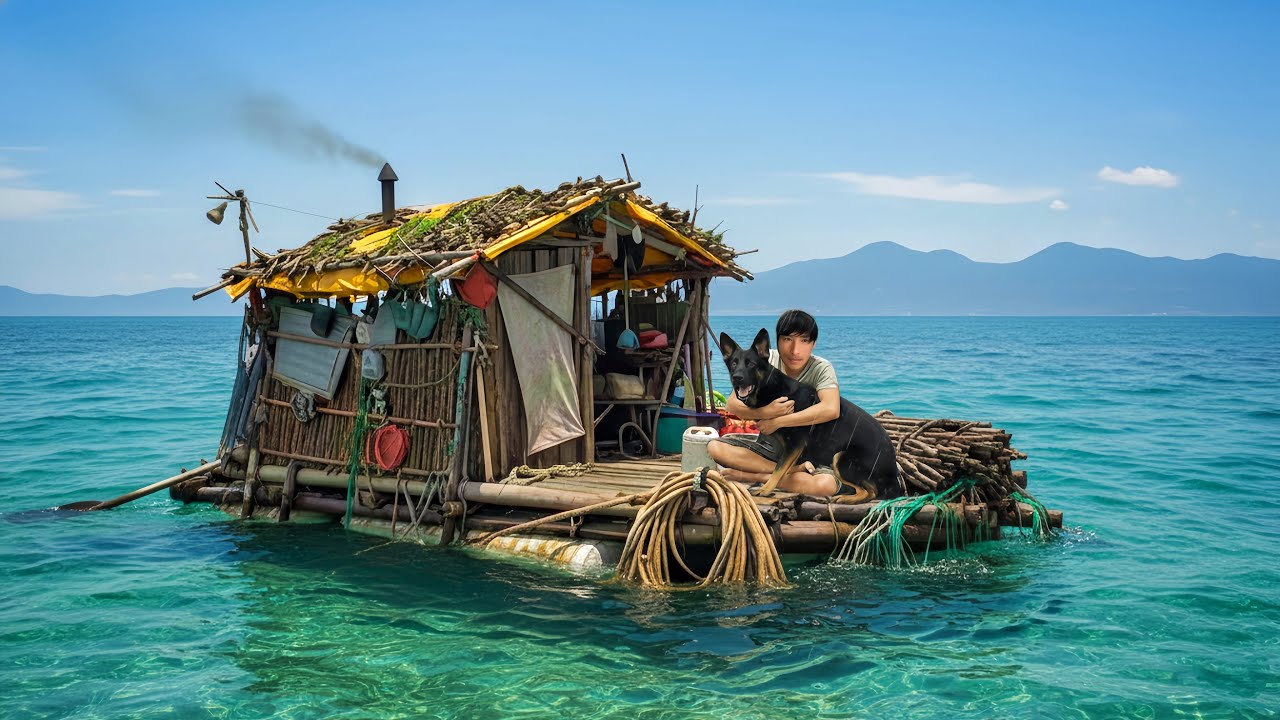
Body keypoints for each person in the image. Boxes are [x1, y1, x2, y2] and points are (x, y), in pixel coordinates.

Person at [708, 309, 842, 495]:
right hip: (770, 446)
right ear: (777, 341)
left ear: (813, 344)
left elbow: (831, 409)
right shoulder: (762, 359)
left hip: (810, 451)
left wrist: (778, 421)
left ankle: (756, 476)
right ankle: (789, 472)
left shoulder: (821, 368)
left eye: (804, 340)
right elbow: (732, 405)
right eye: (787, 339)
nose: (795, 350)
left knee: (825, 485)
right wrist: (766, 413)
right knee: (715, 447)